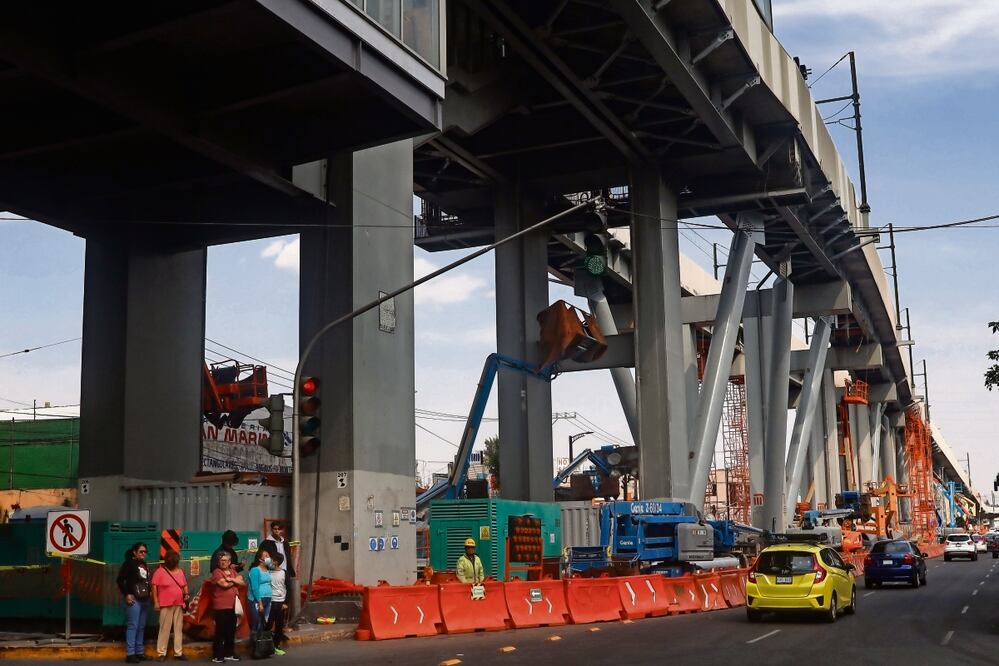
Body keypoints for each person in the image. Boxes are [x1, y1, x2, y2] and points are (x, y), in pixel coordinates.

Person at [116, 542, 151, 664]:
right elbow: (120, 580)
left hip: (144, 599)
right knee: (133, 626)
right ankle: (130, 654)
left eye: (145, 552)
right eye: (141, 551)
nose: (143, 554)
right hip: (134, 599)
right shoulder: (128, 563)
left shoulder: (144, 564)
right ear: (134, 552)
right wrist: (127, 594)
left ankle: (139, 652)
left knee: (141, 626)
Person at [151, 550, 189, 662]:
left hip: (179, 603)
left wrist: (186, 594)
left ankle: (178, 652)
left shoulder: (180, 572)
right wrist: (156, 602)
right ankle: (161, 653)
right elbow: (154, 587)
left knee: (178, 629)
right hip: (165, 604)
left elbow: (184, 585)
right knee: (164, 629)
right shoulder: (160, 572)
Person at [210, 552, 245, 664]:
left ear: (229, 562)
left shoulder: (233, 571)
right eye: (221, 560)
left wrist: (232, 580)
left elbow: (242, 582)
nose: (223, 562)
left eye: (225, 560)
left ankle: (229, 653)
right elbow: (224, 585)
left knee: (231, 631)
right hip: (221, 606)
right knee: (220, 631)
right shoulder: (217, 572)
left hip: (232, 606)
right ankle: (217, 655)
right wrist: (235, 581)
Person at [246, 548, 273, 643]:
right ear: (260, 559)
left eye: (269, 556)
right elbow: (255, 588)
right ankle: (254, 645)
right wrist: (260, 603)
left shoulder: (268, 570)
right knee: (256, 623)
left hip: (268, 599)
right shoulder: (255, 570)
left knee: (263, 623)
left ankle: (262, 645)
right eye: (266, 556)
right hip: (257, 600)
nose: (268, 558)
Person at [267, 553, 288, 655]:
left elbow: (288, 588)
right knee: (268, 624)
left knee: (279, 625)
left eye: (272, 560)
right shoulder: (268, 572)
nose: (270, 561)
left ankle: (276, 645)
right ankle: (266, 645)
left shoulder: (284, 573)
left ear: (276, 562)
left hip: (280, 602)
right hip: (270, 602)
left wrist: (286, 602)